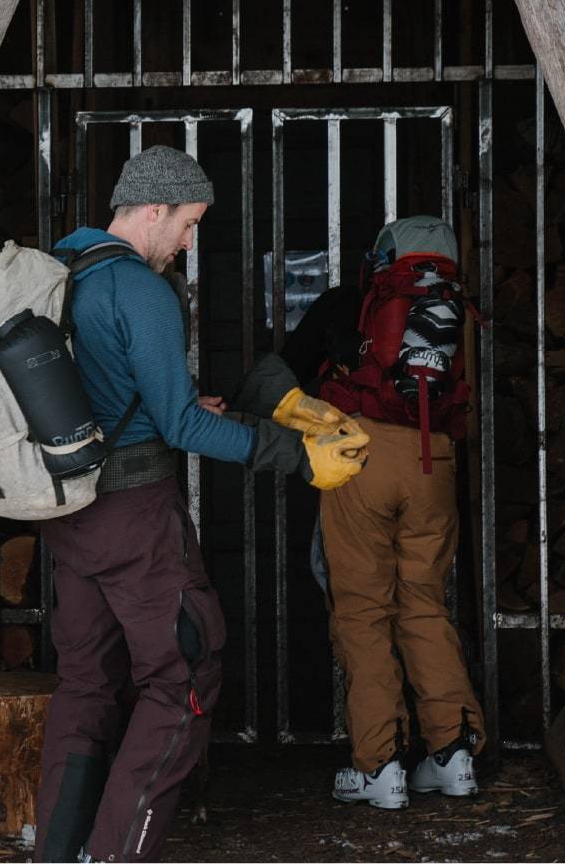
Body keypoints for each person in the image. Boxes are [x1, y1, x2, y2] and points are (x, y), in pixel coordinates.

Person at [34, 145, 371, 862]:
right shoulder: (140, 289)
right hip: (133, 517)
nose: (189, 242)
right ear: (151, 210)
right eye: (187, 224)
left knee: (86, 681)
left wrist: (184, 408)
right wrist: (295, 454)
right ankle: (115, 854)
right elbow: (181, 427)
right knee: (184, 672)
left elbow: (112, 397)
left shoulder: (58, 268)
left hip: (65, 514)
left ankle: (59, 854)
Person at [280, 215, 486, 810]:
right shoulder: (458, 312)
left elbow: (288, 372)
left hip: (361, 457)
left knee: (364, 612)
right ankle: (453, 755)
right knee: (424, 605)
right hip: (434, 463)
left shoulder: (349, 304)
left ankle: (381, 765)